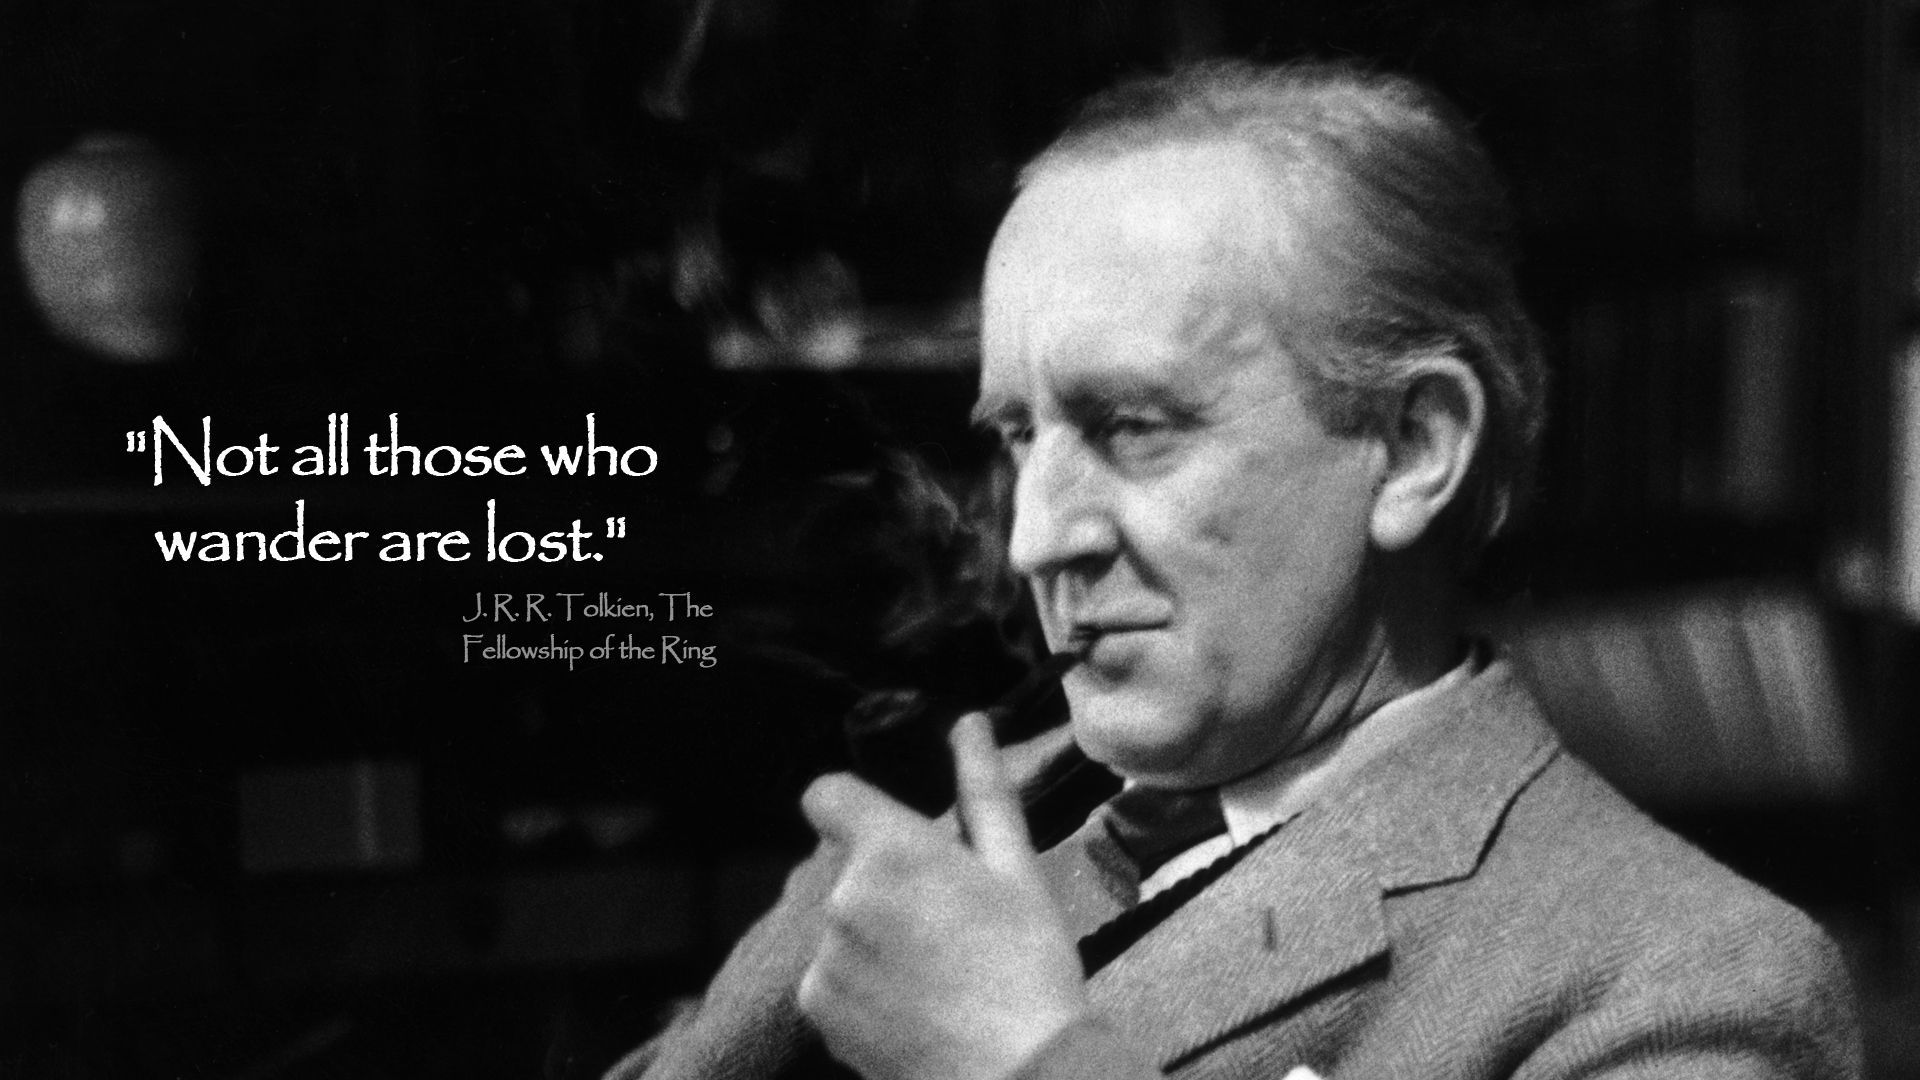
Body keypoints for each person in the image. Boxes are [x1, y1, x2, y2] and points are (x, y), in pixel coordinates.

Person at [606, 59, 1861, 1080]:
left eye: (1132, 427)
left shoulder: (1681, 982)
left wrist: (1025, 1063)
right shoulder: (939, 850)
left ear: (1413, 449)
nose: (1035, 539)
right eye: (1019, 437)